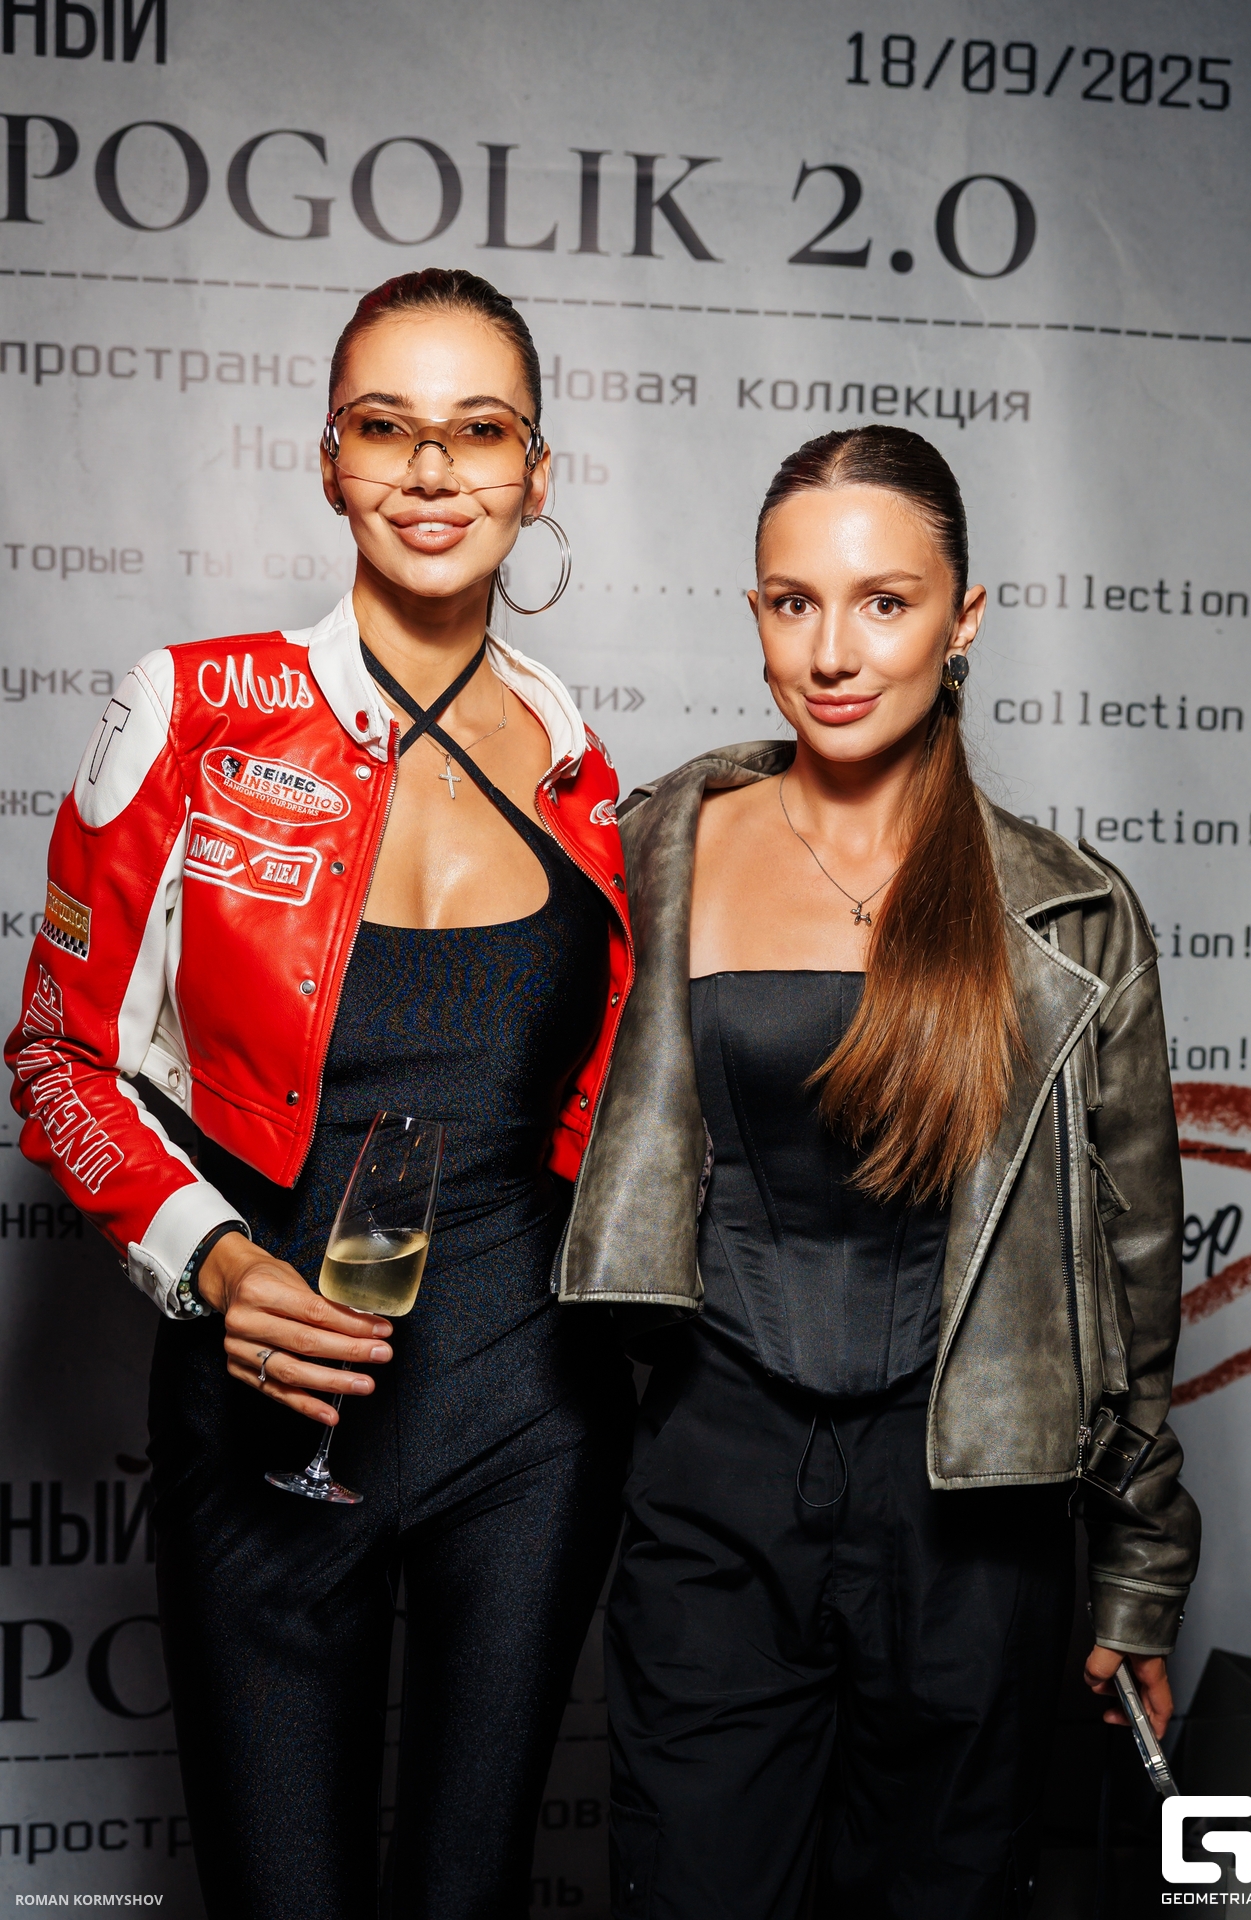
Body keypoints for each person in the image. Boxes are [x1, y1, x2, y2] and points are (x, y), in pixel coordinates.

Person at [6, 268, 635, 1920]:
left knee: (471, 1892)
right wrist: (218, 1270)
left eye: (478, 431)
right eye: (386, 427)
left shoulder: (580, 762)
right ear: (331, 460)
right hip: (266, 1397)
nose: (432, 471)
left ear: (536, 476)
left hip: (532, 1410)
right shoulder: (193, 711)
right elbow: (55, 1056)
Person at [550, 426, 1199, 1917]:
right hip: (709, 1494)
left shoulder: (1073, 915)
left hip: (974, 1520)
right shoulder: (648, 856)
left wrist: (1139, 1575)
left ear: (965, 618)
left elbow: (1136, 1277)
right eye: (794, 603)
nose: (833, 651)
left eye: (885, 603)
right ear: (756, 612)